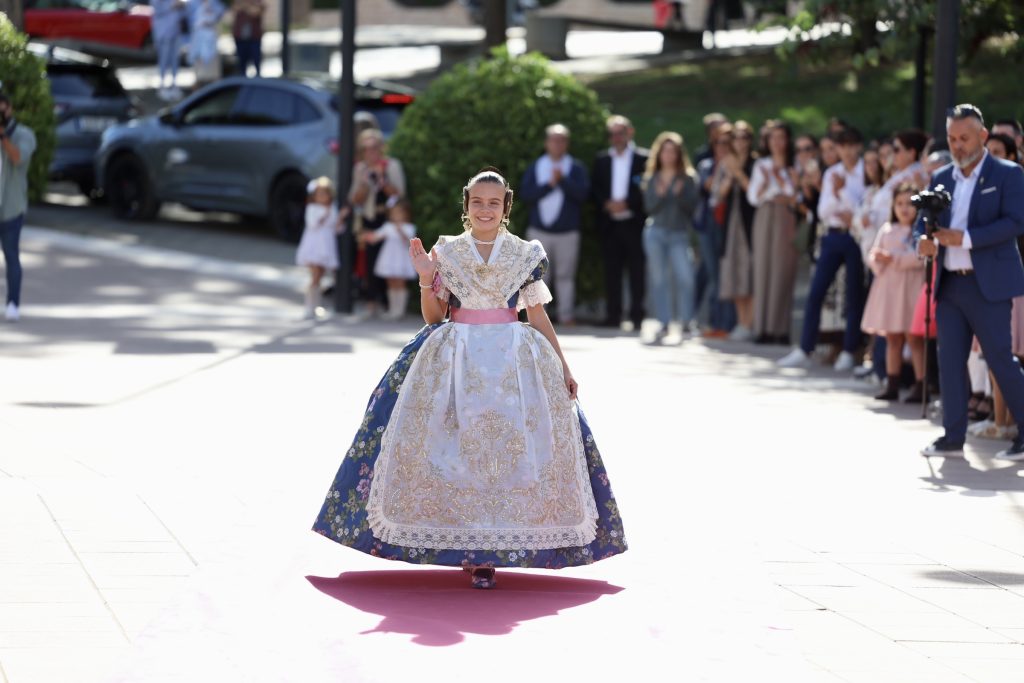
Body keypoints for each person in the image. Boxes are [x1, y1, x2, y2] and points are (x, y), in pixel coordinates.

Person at [311, 169, 627, 589]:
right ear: (467, 204)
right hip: (456, 358)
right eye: (477, 201)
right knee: (456, 452)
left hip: (514, 363)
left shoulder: (525, 253)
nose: (485, 209)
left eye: (493, 202)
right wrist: (426, 279)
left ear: (506, 207)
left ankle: (494, 549)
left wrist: (564, 366)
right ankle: (467, 548)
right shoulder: (448, 251)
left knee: (510, 453)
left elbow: (536, 314)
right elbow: (434, 318)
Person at [917, 104, 1024, 460]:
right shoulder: (942, 177)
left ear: (983, 136)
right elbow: (926, 220)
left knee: (999, 359)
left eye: (964, 138)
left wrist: (963, 238)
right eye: (951, 138)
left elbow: (1015, 222)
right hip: (951, 283)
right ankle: (952, 436)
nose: (958, 145)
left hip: (988, 283)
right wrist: (925, 240)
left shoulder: (1009, 174)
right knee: (949, 360)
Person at [779, 126, 866, 370]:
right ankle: (805, 347)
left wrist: (842, 192)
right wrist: (843, 201)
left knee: (853, 294)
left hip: (855, 237)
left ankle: (849, 350)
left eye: (851, 146)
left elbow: (859, 208)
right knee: (816, 291)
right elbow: (824, 210)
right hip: (832, 235)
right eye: (842, 146)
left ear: (858, 146)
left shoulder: (864, 172)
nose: (847, 152)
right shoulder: (832, 173)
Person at [519, 123, 590, 325]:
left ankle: (566, 315)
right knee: (537, 276)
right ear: (546, 143)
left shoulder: (575, 168)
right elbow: (526, 195)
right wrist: (550, 184)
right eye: (553, 140)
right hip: (539, 230)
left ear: (566, 144)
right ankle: (537, 316)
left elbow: (583, 195)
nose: (557, 144)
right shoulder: (536, 166)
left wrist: (563, 181)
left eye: (561, 140)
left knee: (565, 276)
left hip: (568, 232)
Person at [860, 184, 925, 400]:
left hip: (911, 290)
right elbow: (873, 255)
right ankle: (892, 382)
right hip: (890, 291)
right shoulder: (887, 229)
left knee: (914, 338)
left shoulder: (920, 231)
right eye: (899, 204)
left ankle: (920, 384)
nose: (904, 208)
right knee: (892, 338)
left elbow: (919, 257)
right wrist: (877, 259)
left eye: (910, 203)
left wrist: (893, 259)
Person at [592, 115, 649, 330]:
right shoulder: (602, 159)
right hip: (610, 224)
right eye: (613, 134)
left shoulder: (643, 158)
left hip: (634, 223)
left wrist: (627, 204)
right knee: (611, 271)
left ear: (630, 132)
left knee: (637, 271)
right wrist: (607, 204)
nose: (616, 137)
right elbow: (596, 187)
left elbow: (645, 188)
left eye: (620, 133)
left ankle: (637, 316)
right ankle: (613, 315)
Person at [641, 131, 699, 343]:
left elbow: (692, 207)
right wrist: (662, 194)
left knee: (685, 277)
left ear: (678, 154)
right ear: (659, 153)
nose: (669, 155)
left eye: (673, 151)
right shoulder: (651, 178)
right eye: (665, 151)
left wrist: (680, 194)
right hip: (655, 232)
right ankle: (663, 322)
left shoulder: (688, 178)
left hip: (679, 233)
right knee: (659, 279)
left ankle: (685, 322)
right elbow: (649, 207)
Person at [747, 120, 799, 346]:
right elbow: (753, 196)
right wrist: (768, 186)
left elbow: (795, 196)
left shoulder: (794, 165)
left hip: (786, 217)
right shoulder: (762, 165)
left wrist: (780, 184)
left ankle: (780, 328)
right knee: (763, 270)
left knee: (782, 271)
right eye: (772, 138)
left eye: (781, 137)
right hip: (765, 215)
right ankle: (762, 327)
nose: (777, 143)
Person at [350, 129, 406, 317]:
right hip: (369, 218)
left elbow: (400, 195)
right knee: (369, 261)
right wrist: (365, 183)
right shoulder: (360, 168)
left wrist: (383, 180)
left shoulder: (391, 165)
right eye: (365, 148)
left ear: (381, 147)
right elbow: (355, 199)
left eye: (374, 147)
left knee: (389, 262)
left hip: (389, 220)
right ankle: (371, 302)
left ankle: (388, 304)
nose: (370, 152)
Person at [713, 121, 757, 340]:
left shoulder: (757, 163)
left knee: (750, 271)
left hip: (751, 224)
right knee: (735, 271)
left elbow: (754, 193)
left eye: (744, 138)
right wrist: (730, 174)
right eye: (736, 138)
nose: (740, 143)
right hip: (732, 224)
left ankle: (751, 322)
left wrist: (738, 172)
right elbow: (718, 196)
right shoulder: (725, 163)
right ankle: (742, 322)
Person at [0, 91, 36, 323]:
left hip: (10, 208)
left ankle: (13, 303)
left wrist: (3, 136)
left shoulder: (24, 134)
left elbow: (17, 157)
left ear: (9, 108)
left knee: (11, 256)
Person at [296, 177, 346, 319]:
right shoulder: (312, 208)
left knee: (320, 275)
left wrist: (340, 218)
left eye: (325, 194)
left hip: (327, 245)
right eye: (319, 194)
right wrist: (326, 213)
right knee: (315, 275)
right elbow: (313, 224)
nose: (322, 197)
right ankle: (309, 306)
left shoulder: (333, 209)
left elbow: (337, 229)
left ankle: (315, 305)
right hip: (314, 245)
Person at [361, 199, 417, 320]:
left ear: (406, 214)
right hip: (389, 258)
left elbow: (409, 242)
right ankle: (392, 310)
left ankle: (400, 310)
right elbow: (376, 237)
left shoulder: (409, 227)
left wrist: (400, 230)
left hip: (401, 258)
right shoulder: (388, 226)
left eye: (399, 213)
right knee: (391, 282)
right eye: (394, 213)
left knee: (400, 283)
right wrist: (366, 236)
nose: (396, 216)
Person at [152, 0, 186, 101]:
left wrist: (181, 5)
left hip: (175, 32)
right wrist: (172, 6)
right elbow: (157, 10)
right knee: (164, 59)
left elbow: (183, 12)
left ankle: (174, 85)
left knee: (175, 59)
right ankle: (162, 85)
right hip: (163, 33)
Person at [188, 0, 225, 88]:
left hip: (210, 37)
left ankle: (215, 90)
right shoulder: (193, 3)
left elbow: (220, 12)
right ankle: (199, 88)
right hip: (198, 37)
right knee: (199, 65)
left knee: (213, 67)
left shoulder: (214, 2)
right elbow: (190, 17)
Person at [231, 0, 265, 77]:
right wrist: (250, 6)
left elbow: (256, 12)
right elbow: (235, 8)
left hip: (254, 39)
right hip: (240, 39)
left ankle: (257, 83)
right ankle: (243, 86)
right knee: (241, 65)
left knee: (256, 63)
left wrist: (244, 6)